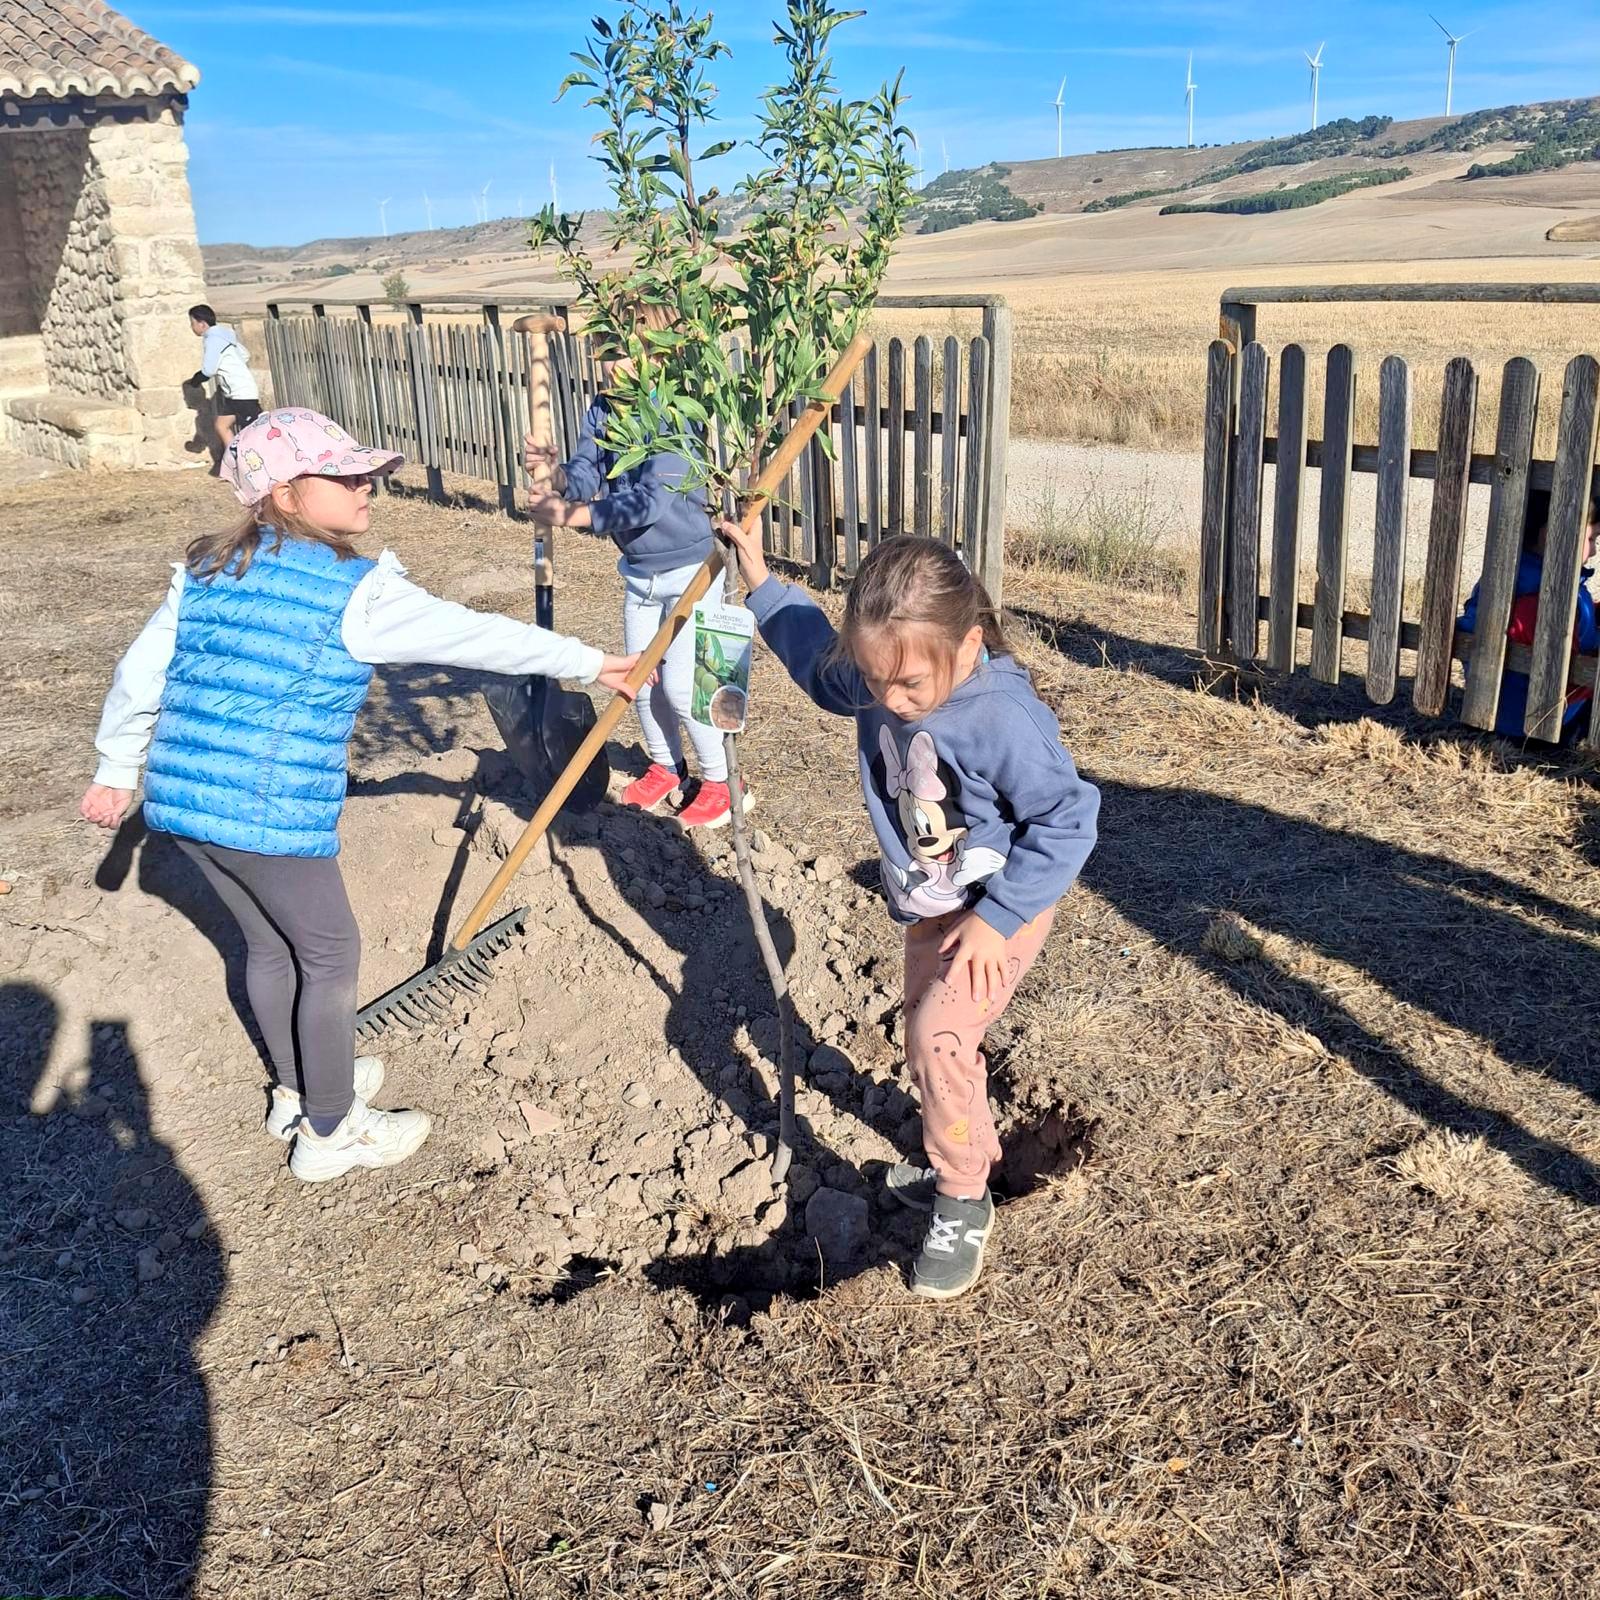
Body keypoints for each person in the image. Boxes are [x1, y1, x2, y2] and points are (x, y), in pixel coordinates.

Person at [80, 407, 637, 1184]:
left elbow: (139, 675)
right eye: (342, 474)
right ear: (283, 494)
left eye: (364, 469)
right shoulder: (353, 593)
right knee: (331, 952)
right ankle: (332, 1130)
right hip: (264, 806)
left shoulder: (211, 572)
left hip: (183, 802)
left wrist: (117, 770)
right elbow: (470, 634)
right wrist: (589, 661)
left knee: (271, 947)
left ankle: (297, 1090)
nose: (365, 483)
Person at [718, 524, 1100, 1299]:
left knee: (937, 1034)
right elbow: (825, 670)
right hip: (934, 903)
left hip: (998, 908)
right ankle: (966, 1157)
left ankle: (962, 1199)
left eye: (909, 690)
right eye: (876, 679)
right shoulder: (885, 667)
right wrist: (761, 584)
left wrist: (997, 918)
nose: (887, 702)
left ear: (967, 646)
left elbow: (1070, 817)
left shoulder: (1001, 715)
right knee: (928, 1036)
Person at [521, 304, 738, 829]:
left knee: (690, 688)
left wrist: (571, 515)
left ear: (659, 357)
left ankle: (721, 782)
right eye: (606, 353)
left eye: (626, 354)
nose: (614, 366)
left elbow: (649, 503)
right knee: (639, 681)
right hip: (639, 572)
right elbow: (585, 470)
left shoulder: (673, 414)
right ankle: (667, 767)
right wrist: (556, 476)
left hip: (693, 569)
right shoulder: (602, 410)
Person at [1460, 486, 1600, 744]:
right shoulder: (1557, 598)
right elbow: (1572, 665)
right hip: (1544, 725)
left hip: (1486, 711)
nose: (1593, 552)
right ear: (1554, 536)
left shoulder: (1502, 577)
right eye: (1591, 540)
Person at [187, 304, 262, 459]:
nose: (191, 327)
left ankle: (258, 462)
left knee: (255, 433)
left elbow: (208, 370)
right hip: (236, 392)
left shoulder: (213, 339)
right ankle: (236, 462)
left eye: (192, 323)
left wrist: (195, 380)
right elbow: (245, 355)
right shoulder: (226, 335)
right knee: (221, 426)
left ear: (202, 323)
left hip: (240, 392)